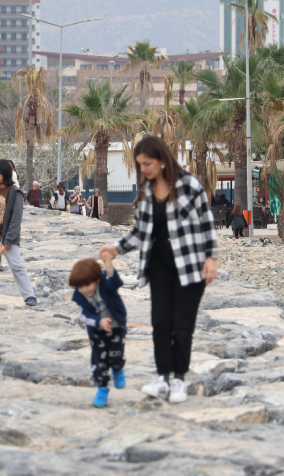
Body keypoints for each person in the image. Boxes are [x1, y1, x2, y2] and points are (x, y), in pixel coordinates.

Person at [99, 135, 217, 404]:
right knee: (161, 323)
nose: (144, 169)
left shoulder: (189, 185)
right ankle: (162, 377)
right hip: (158, 266)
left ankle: (179, 380)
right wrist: (117, 249)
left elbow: (207, 224)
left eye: (147, 163)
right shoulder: (146, 190)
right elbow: (140, 231)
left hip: (190, 266)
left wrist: (212, 258)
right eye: (140, 164)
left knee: (182, 325)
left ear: (162, 160)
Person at [70, 256, 127, 408]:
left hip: (116, 328)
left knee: (117, 354)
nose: (85, 289)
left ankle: (117, 369)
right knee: (99, 362)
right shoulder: (80, 296)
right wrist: (99, 322)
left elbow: (115, 281)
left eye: (87, 285)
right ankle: (102, 390)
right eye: (80, 287)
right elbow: (83, 316)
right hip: (97, 333)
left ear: (96, 279)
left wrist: (108, 263)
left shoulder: (105, 285)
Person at [0, 159, 38, 307]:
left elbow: (16, 217)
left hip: (7, 238)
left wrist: (8, 238)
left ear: (6, 173)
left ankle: (29, 296)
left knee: (16, 265)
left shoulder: (15, 192)